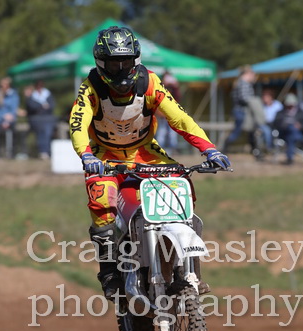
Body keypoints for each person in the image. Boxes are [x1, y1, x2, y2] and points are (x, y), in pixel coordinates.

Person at [69, 25, 230, 299]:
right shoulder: (91, 87)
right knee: (101, 199)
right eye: (114, 64)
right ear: (100, 63)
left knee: (181, 184)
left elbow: (179, 118)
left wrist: (210, 150)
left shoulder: (150, 82)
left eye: (126, 62)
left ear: (136, 60)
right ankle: (109, 272)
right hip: (103, 154)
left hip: (143, 150)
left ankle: (189, 270)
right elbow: (77, 124)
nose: (121, 70)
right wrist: (86, 156)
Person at [223, 65, 256, 152]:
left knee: (250, 131)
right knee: (238, 131)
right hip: (242, 111)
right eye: (252, 74)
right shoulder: (244, 84)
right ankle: (224, 148)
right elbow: (244, 98)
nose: (253, 76)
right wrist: (254, 102)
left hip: (240, 111)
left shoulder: (239, 83)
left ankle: (255, 151)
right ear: (247, 74)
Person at [273, 93, 303, 165]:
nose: (290, 107)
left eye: (292, 105)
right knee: (290, 132)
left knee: (291, 134)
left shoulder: (301, 113)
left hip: (298, 134)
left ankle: (289, 159)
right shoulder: (280, 113)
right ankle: (290, 158)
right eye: (288, 105)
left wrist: (300, 125)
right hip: (284, 134)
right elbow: (276, 124)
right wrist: (285, 125)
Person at [24, 81, 56, 159]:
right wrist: (43, 106)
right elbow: (32, 106)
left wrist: (40, 107)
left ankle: (48, 151)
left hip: (47, 119)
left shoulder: (48, 94)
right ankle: (42, 152)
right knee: (40, 136)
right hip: (36, 120)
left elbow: (51, 106)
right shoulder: (32, 96)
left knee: (47, 135)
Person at [0, 77, 19, 158]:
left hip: (10, 119)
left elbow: (14, 108)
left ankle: (13, 154)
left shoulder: (13, 94)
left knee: (14, 134)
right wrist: (3, 117)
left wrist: (8, 120)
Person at [156, 70, 181, 154]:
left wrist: (175, 87)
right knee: (162, 132)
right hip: (162, 114)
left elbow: (178, 98)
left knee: (172, 133)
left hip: (172, 114)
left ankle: (173, 149)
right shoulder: (160, 87)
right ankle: (160, 149)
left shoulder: (174, 89)